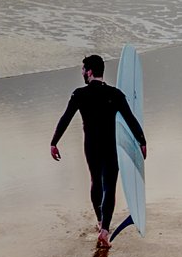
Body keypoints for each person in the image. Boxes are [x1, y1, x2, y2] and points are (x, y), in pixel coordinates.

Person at [50, 53, 146, 246]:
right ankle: (104, 230)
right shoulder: (115, 94)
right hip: (111, 146)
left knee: (95, 181)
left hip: (91, 146)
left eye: (83, 70)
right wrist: (142, 141)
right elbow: (130, 119)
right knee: (109, 186)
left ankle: (100, 220)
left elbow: (66, 118)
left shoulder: (80, 94)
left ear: (90, 71)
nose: (83, 73)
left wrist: (54, 142)